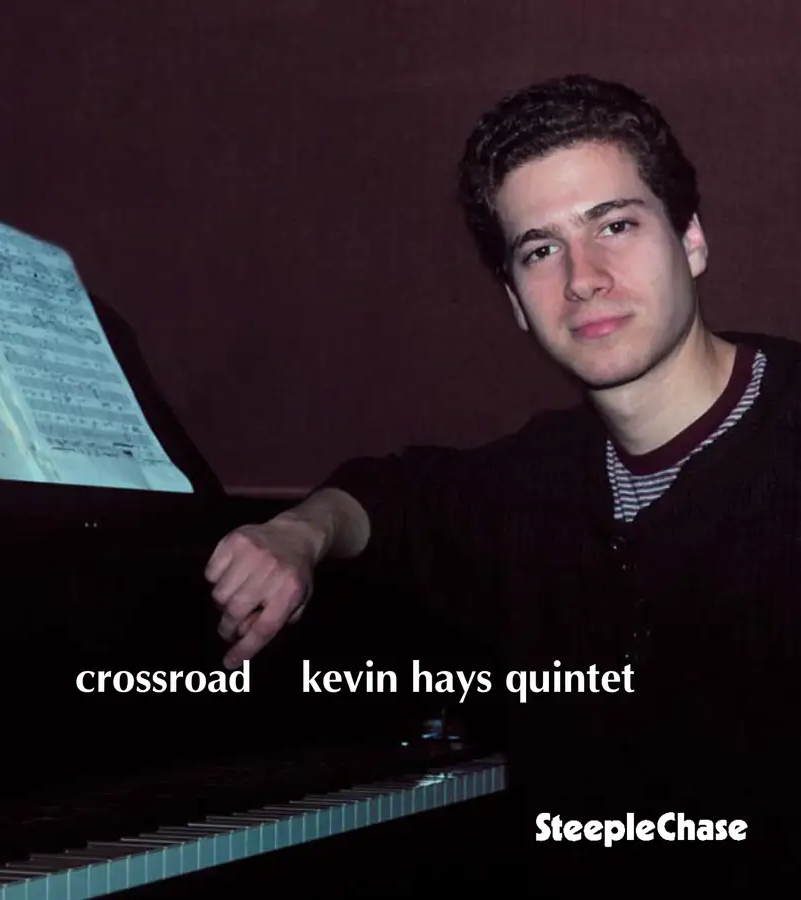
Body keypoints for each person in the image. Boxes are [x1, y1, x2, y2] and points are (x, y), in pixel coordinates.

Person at [205, 74, 801, 891]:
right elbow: (392, 494)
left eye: (616, 225)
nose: (583, 277)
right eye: (540, 250)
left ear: (691, 240)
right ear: (517, 301)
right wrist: (298, 532)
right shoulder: (535, 479)